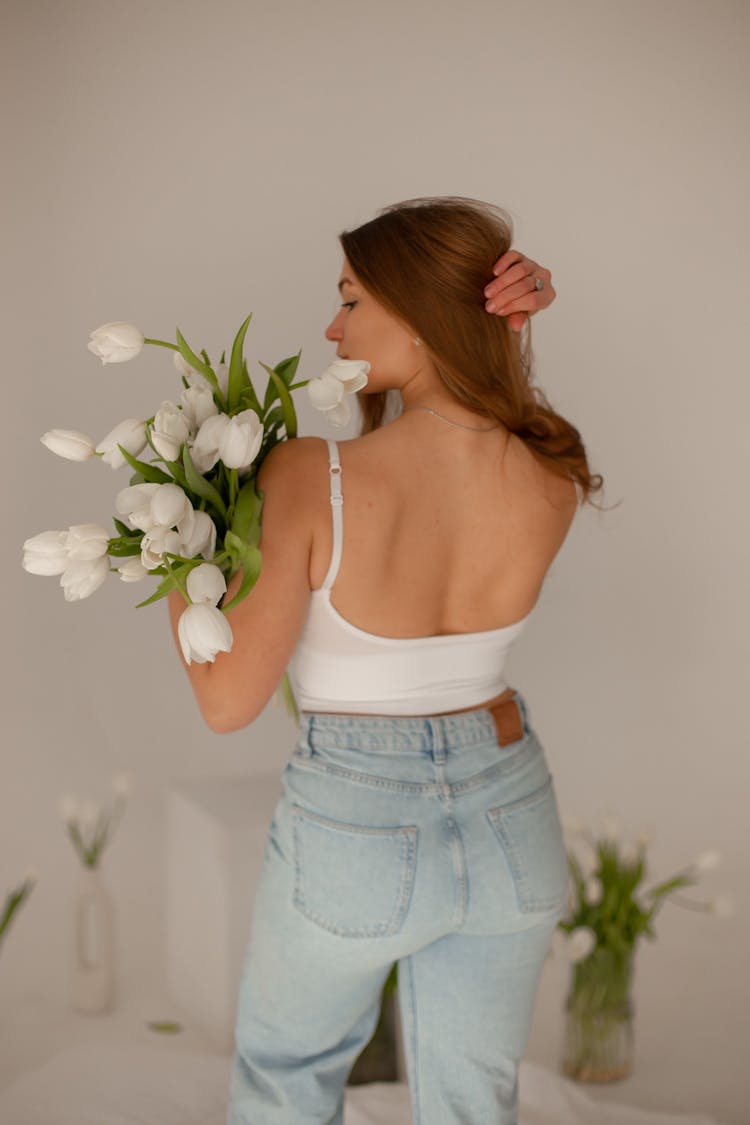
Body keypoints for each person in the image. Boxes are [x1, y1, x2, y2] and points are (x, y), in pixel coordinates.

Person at [168, 196, 603, 1125]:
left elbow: (227, 702)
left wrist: (173, 550)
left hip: (358, 820)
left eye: (352, 299)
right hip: (512, 812)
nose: (332, 326)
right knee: (472, 1105)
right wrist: (508, 340)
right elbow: (499, 419)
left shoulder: (309, 475)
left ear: (423, 313)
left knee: (287, 1082)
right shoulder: (553, 472)